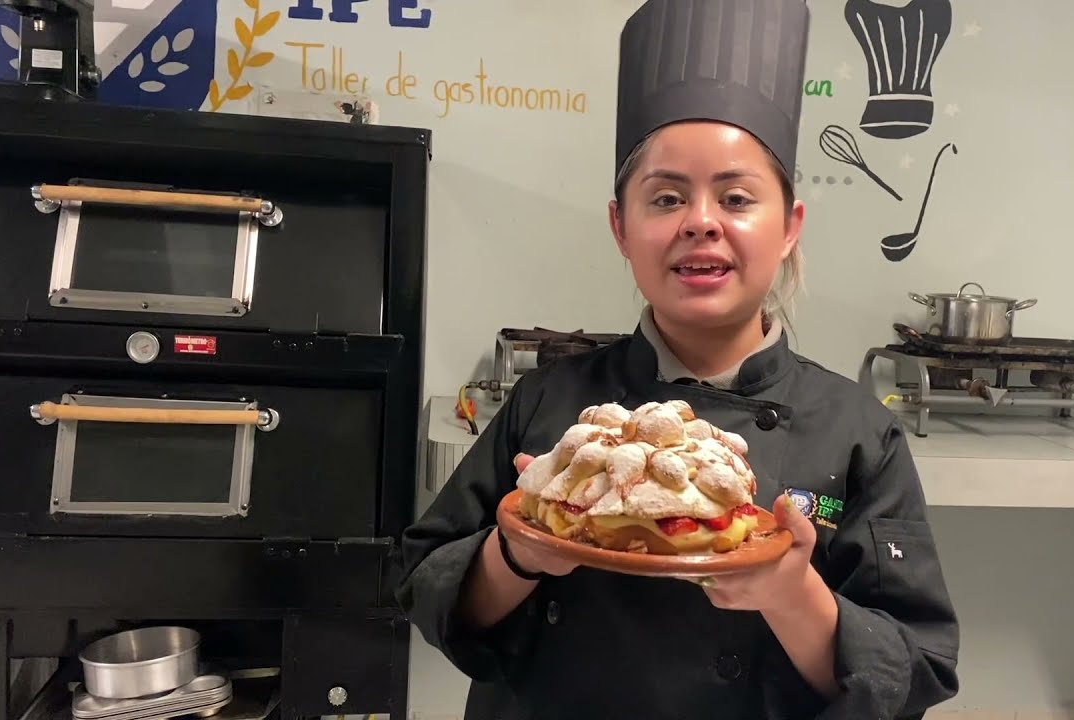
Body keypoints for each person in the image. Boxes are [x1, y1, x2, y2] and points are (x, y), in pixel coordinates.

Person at [395, 0, 960, 718]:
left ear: (788, 228)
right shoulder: (551, 405)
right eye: (665, 197)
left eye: (735, 196)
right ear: (621, 228)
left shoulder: (856, 431)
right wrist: (522, 555)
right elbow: (426, 586)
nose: (700, 220)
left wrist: (792, 594)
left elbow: (914, 668)